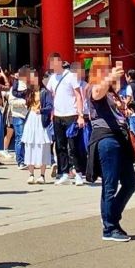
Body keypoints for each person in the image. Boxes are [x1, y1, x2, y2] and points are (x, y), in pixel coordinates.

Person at [86, 64, 135, 241]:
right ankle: (109, 227)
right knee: (110, 185)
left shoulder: (111, 92)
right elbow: (96, 93)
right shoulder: (94, 88)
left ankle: (111, 216)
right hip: (106, 139)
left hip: (119, 138)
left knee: (131, 182)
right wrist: (109, 78)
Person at [46, 53, 85, 184]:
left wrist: (80, 115)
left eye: (55, 63)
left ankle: (78, 172)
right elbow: (49, 95)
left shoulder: (70, 76)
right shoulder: (52, 78)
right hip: (57, 115)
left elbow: (78, 96)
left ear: (60, 62)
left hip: (71, 114)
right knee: (60, 145)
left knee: (73, 145)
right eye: (51, 64)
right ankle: (64, 172)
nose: (53, 66)